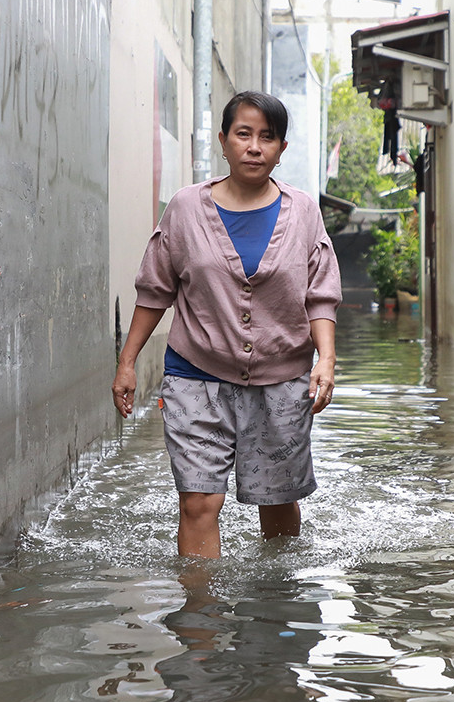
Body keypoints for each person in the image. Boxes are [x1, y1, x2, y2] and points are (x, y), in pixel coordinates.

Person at [111, 90, 342, 558]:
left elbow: (320, 294)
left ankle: (276, 610)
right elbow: (156, 290)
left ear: (281, 149)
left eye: (267, 137)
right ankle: (200, 617)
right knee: (198, 503)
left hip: (281, 380)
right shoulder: (184, 208)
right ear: (223, 141)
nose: (254, 146)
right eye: (243, 134)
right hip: (195, 375)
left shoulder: (303, 213)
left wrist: (327, 360)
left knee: (277, 504)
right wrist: (128, 361)